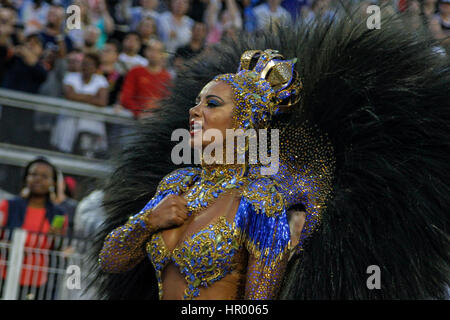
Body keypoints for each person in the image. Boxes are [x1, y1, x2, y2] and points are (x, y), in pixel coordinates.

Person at [94, 3, 450, 300]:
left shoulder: (261, 201)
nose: (193, 111)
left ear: (244, 122)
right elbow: (111, 262)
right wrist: (146, 222)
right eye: (196, 101)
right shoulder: (176, 182)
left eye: (212, 103)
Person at [0, 157, 68, 300]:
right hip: (4, 273)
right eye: (33, 174)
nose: (38, 179)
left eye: (44, 176)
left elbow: (58, 248)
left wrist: (56, 239)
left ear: (53, 182)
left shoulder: (59, 214)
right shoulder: (8, 206)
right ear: (26, 178)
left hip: (36, 280)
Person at [120, 39, 171, 119]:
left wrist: (158, 115)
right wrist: (139, 112)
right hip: (135, 119)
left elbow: (168, 102)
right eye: (151, 50)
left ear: (163, 54)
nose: (153, 54)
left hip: (157, 121)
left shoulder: (167, 77)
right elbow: (125, 98)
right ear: (145, 51)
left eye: (158, 51)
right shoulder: (135, 71)